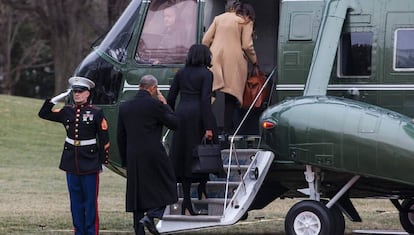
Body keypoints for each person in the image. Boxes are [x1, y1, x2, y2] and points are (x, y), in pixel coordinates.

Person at [38, 76, 110, 235]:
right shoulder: (67, 111)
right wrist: (57, 98)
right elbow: (43, 113)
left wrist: (102, 161)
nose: (77, 94)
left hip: (90, 163)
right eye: (75, 91)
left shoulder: (96, 113)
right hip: (71, 162)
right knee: (75, 202)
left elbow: (104, 138)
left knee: (90, 203)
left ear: (87, 93)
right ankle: (79, 231)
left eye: (80, 91)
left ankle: (91, 232)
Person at [117, 75, 179, 235]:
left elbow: (120, 136)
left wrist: (125, 160)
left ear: (139, 86)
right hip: (153, 154)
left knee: (137, 195)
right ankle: (152, 215)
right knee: (169, 185)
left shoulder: (125, 107)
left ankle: (139, 230)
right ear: (153, 88)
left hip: (133, 155)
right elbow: (175, 124)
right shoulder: (155, 105)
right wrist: (165, 105)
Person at [167, 44, 217, 215]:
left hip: (181, 114)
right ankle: (203, 186)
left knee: (184, 157)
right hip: (198, 116)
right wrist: (209, 126)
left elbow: (171, 97)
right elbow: (205, 100)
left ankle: (186, 202)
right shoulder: (207, 74)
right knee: (206, 151)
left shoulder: (181, 73)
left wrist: (172, 116)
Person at [202, 2, 258, 133]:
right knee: (231, 98)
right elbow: (246, 45)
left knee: (209, 96)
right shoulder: (245, 21)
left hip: (214, 59)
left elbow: (205, 40)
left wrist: (207, 56)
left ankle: (205, 127)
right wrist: (255, 61)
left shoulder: (218, 18)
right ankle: (227, 131)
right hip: (234, 62)